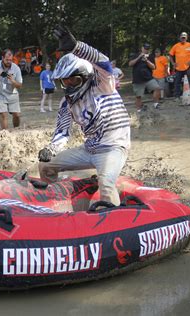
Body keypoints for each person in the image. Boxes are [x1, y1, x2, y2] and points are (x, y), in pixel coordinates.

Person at [38, 25, 130, 206]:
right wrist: (51, 149)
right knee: (45, 166)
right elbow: (62, 132)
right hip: (89, 149)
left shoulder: (102, 85)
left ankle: (113, 226)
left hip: (113, 147)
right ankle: (53, 204)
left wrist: (77, 47)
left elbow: (102, 61)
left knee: (106, 186)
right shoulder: (67, 103)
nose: (69, 85)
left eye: (73, 79)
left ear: (85, 76)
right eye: (65, 81)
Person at [0, 49, 23, 130]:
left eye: (11, 60)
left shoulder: (16, 68)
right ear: (2, 58)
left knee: (16, 115)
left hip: (12, 94)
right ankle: (6, 133)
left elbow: (20, 85)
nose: (9, 61)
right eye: (7, 59)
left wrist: (13, 81)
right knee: (3, 114)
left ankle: (16, 131)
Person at [129, 43, 161, 113]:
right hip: (137, 79)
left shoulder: (150, 56)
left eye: (147, 49)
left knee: (157, 88)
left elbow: (153, 67)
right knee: (138, 95)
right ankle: (139, 110)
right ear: (142, 48)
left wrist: (146, 60)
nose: (146, 50)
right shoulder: (135, 55)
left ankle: (156, 104)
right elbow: (130, 64)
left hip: (148, 78)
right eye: (145, 48)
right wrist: (139, 57)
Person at [169, 32, 190, 101]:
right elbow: (170, 55)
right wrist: (173, 63)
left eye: (184, 37)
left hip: (188, 68)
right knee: (177, 82)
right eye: (182, 37)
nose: (183, 39)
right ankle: (177, 97)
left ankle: (187, 96)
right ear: (180, 38)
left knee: (188, 82)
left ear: (186, 38)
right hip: (178, 68)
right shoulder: (176, 46)